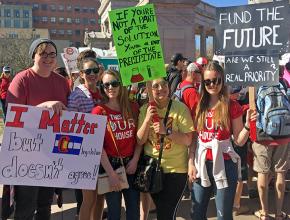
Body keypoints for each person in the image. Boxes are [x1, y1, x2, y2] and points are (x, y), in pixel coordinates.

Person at [6, 38, 70, 220]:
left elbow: (68, 113)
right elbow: (13, 116)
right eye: (43, 54)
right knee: (25, 207)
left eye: (52, 54)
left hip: (51, 153)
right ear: (33, 55)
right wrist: (44, 106)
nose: (48, 58)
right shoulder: (21, 79)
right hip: (26, 153)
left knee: (44, 206)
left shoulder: (62, 82)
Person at [189, 62, 256, 220]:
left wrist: (247, 125)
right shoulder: (199, 106)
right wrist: (191, 162)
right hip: (201, 164)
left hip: (225, 165)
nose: (212, 84)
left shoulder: (231, 106)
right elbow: (193, 138)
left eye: (216, 80)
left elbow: (239, 141)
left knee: (223, 216)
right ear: (203, 83)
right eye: (208, 81)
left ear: (222, 80)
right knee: (196, 213)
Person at [137, 77, 194, 219]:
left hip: (176, 170)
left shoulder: (180, 108)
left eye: (164, 85)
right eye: (155, 86)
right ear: (149, 89)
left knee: (167, 213)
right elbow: (139, 141)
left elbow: (188, 140)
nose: (161, 88)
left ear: (169, 87)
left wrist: (166, 131)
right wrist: (147, 119)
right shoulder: (145, 110)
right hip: (152, 170)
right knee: (163, 213)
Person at [92, 69, 141, 220]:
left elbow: (139, 138)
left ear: (121, 85)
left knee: (133, 211)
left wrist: (135, 160)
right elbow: (98, 146)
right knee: (114, 213)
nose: (110, 88)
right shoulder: (98, 111)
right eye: (106, 85)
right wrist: (111, 173)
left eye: (114, 83)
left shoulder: (133, 107)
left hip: (132, 165)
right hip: (110, 166)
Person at [67, 57, 104, 220]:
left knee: (101, 197)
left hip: (104, 152)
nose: (92, 74)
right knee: (88, 199)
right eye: (88, 71)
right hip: (84, 153)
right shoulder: (77, 95)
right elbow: (69, 123)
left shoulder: (104, 92)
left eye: (95, 70)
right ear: (81, 74)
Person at [252, 77, 290, 220]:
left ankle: (264, 213)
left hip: (262, 136)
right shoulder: (283, 83)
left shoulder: (255, 84)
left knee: (263, 172)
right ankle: (279, 214)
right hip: (284, 134)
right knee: (281, 173)